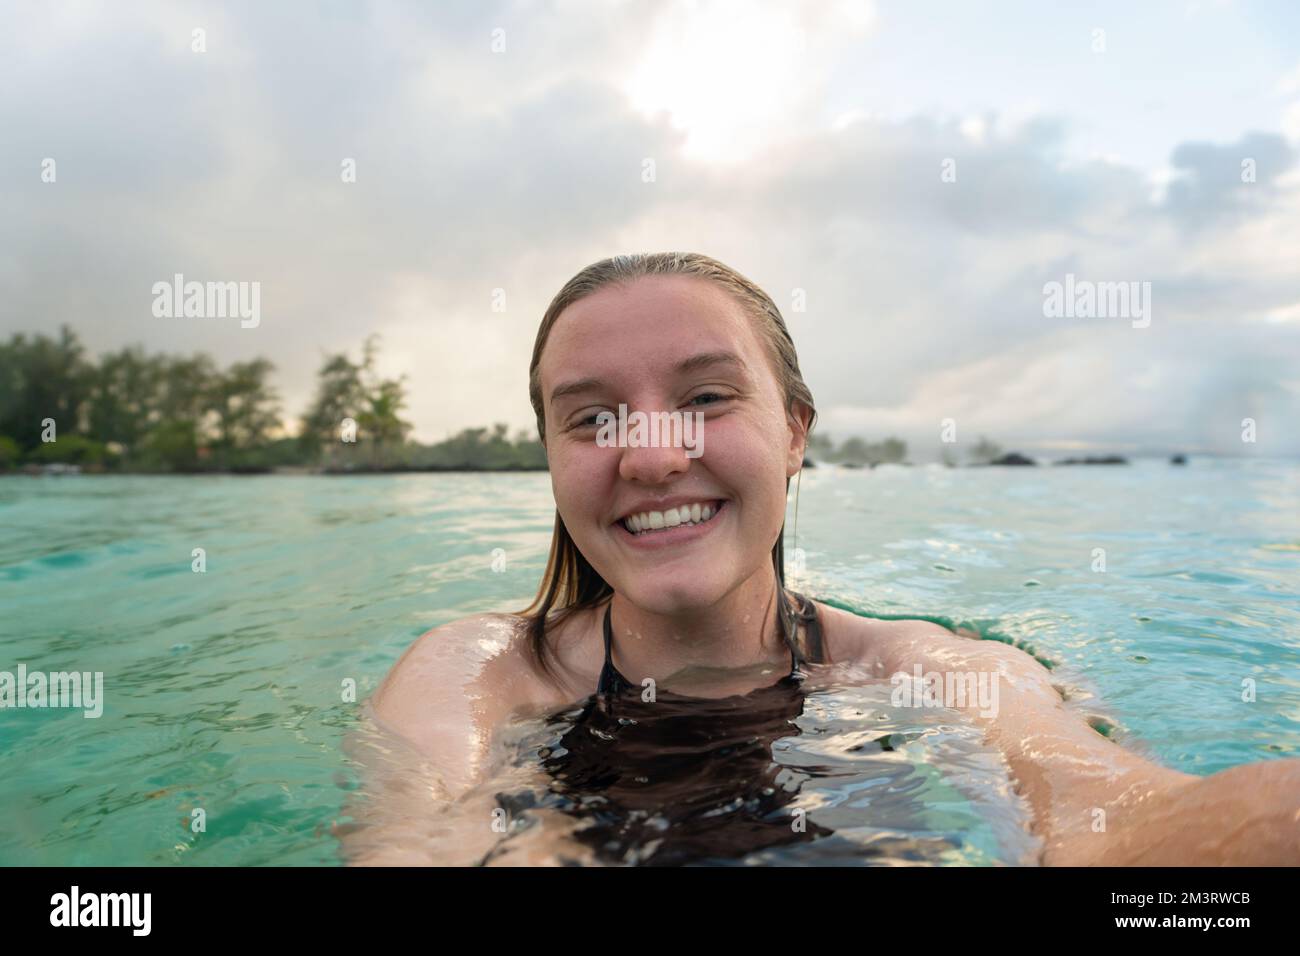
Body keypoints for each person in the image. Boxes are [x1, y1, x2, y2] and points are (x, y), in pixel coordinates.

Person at [345, 252, 1300, 866]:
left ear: (795, 432)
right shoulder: (475, 677)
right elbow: (421, 840)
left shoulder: (920, 668)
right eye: (594, 418)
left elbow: (1108, 820)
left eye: (707, 398)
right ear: (553, 456)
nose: (649, 454)